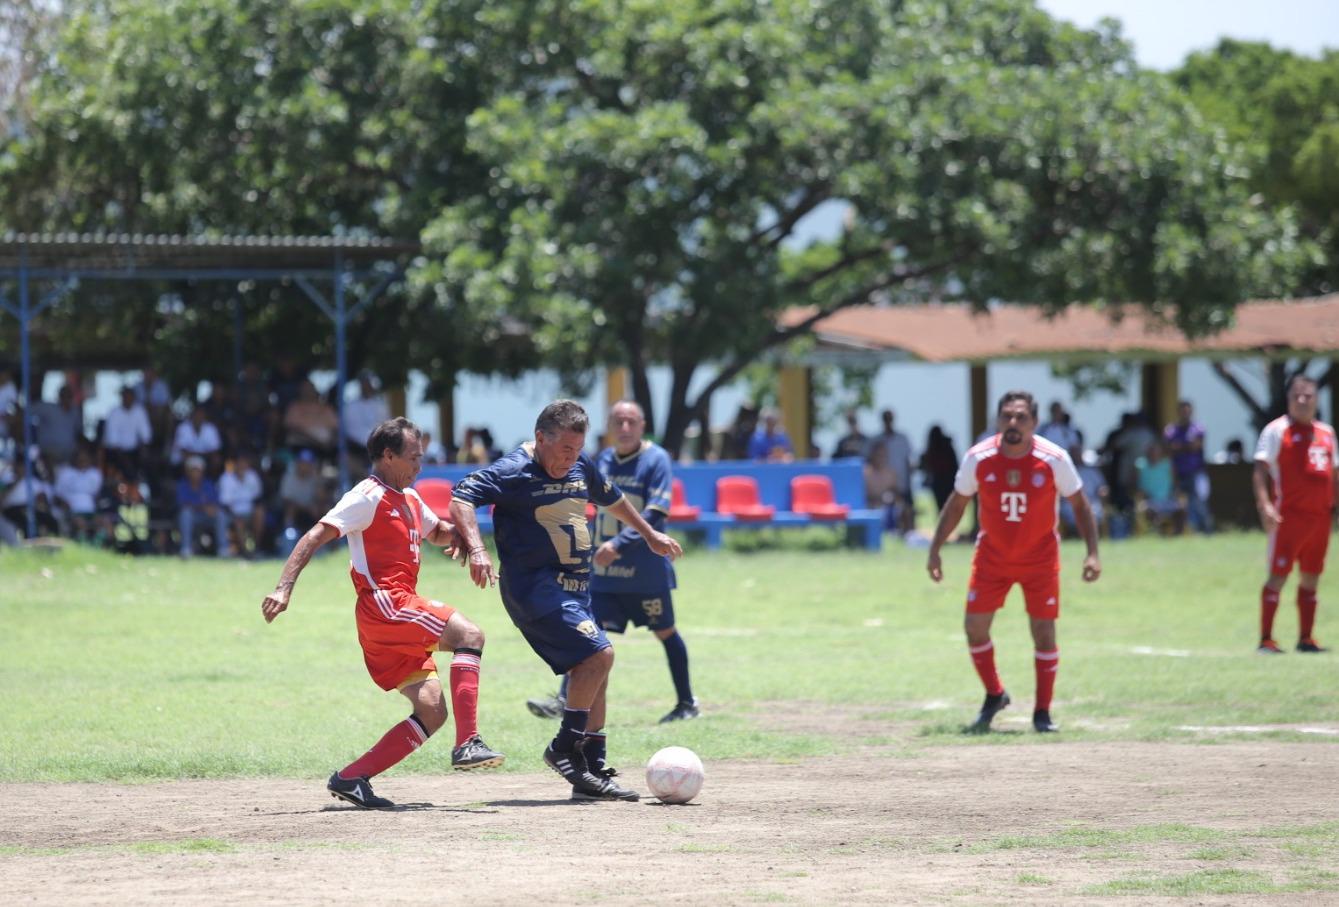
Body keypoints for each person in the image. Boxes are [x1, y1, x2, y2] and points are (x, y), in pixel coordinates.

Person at [261, 416, 504, 810]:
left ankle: (352, 778)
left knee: (432, 709)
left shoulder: (409, 497)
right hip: (386, 605)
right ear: (388, 456)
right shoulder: (367, 496)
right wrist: (283, 587)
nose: (419, 466)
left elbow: (437, 532)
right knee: (470, 636)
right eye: (413, 457)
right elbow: (315, 535)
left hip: (389, 615)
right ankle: (469, 742)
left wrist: (463, 537)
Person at [449, 400, 683, 801]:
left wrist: (648, 534)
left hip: (576, 587)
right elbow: (461, 498)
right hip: (534, 586)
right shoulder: (513, 470)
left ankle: (592, 767)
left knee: (594, 668)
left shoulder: (580, 464)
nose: (571, 459)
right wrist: (476, 548)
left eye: (577, 450)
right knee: (600, 656)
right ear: (541, 439)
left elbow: (611, 497)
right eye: (564, 451)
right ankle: (563, 749)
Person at [926, 390, 1101, 734]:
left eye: (1021, 417)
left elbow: (1080, 505)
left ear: (1034, 422)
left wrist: (1092, 552)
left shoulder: (1053, 458)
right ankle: (995, 694)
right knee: (974, 627)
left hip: (1039, 559)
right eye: (1007, 416)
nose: (1013, 423)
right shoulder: (979, 457)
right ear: (998, 420)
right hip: (993, 557)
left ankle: (1043, 712)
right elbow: (957, 503)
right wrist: (935, 548)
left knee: (1043, 632)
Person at [526, 401, 698, 725]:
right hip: (604, 575)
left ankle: (687, 702)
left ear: (642, 425)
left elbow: (657, 513)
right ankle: (565, 700)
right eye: (618, 421)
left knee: (666, 631)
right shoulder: (601, 459)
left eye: (631, 421)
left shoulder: (656, 460)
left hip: (645, 573)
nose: (624, 428)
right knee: (587, 635)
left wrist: (618, 545)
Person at [1253, 374, 1336, 654]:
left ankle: (1306, 638)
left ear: (1316, 399)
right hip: (1288, 517)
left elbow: (1332, 474)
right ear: (1288, 400)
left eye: (1308, 396)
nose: (1302, 401)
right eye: (1296, 396)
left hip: (1320, 518)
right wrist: (1264, 505)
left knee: (1311, 576)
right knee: (1279, 574)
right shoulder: (1277, 431)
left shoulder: (1326, 433)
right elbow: (1260, 469)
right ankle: (1266, 639)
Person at [1165, 400, 1213, 533]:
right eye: (1182, 411)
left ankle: (1207, 532)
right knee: (1179, 505)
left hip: (1197, 473)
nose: (1185, 414)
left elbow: (1196, 446)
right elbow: (1169, 449)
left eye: (1187, 411)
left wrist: (1178, 446)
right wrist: (1186, 446)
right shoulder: (1171, 430)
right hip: (1178, 473)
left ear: (1191, 412)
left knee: (1200, 503)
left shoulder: (1198, 428)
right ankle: (1183, 532)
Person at [175, 456, 230, 558]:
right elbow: (182, 504)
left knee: (221, 515)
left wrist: (211, 508)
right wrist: (202, 507)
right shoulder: (182, 485)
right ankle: (186, 549)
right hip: (192, 517)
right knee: (185, 514)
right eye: (193, 470)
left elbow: (216, 502)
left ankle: (223, 549)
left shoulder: (209, 484)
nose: (196, 473)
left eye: (198, 470)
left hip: (208, 516)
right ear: (188, 472)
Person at [874, 409, 915, 532]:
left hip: (902, 484)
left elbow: (910, 460)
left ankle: (908, 533)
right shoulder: (876, 440)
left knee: (906, 510)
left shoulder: (903, 439)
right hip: (882, 485)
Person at [219, 451, 266, 557]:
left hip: (249, 512)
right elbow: (225, 504)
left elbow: (257, 499)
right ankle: (245, 552)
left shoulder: (252, 476)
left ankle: (256, 548)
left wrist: (253, 511)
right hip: (232, 513)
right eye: (240, 463)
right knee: (239, 521)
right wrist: (236, 516)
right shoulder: (226, 478)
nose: (242, 465)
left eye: (244, 463)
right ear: (234, 464)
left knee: (260, 513)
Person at [101, 386, 153, 479]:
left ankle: (148, 490)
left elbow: (146, 436)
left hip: (135, 451)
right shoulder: (114, 413)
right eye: (126, 396)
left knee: (150, 462)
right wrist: (126, 460)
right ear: (122, 398)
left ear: (134, 398)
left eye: (130, 397)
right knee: (123, 465)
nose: (128, 399)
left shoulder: (140, 411)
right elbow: (113, 442)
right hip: (117, 452)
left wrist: (143, 451)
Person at [53, 447, 104, 542]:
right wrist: (65, 505)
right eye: (80, 458)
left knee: (104, 523)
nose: (82, 461)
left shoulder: (95, 474)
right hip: (72, 511)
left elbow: (97, 496)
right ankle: (84, 547)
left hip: (90, 511)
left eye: (85, 458)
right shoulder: (65, 473)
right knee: (81, 523)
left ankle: (98, 548)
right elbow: (56, 496)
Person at [1136, 441, 1184, 534]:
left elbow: (1175, 484)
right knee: (1147, 509)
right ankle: (1156, 533)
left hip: (1167, 500)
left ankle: (1177, 534)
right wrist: (1143, 495)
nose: (1154, 455)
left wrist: (1176, 494)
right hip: (1149, 501)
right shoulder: (1141, 465)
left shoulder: (1167, 465)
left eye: (1156, 453)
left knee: (1181, 509)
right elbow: (1136, 486)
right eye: (1151, 453)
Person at [170, 405, 223, 472]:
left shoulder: (211, 428)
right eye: (197, 414)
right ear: (192, 415)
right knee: (180, 457)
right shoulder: (182, 427)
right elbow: (183, 451)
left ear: (205, 416)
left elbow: (215, 451)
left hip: (204, 459)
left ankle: (210, 481)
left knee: (217, 460)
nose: (198, 417)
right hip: (185, 459)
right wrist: (199, 456)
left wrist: (200, 457)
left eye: (201, 414)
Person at [920, 425, 959, 514]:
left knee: (941, 507)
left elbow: (925, 465)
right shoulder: (948, 447)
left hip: (938, 482)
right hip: (949, 481)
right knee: (949, 507)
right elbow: (955, 464)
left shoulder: (932, 448)